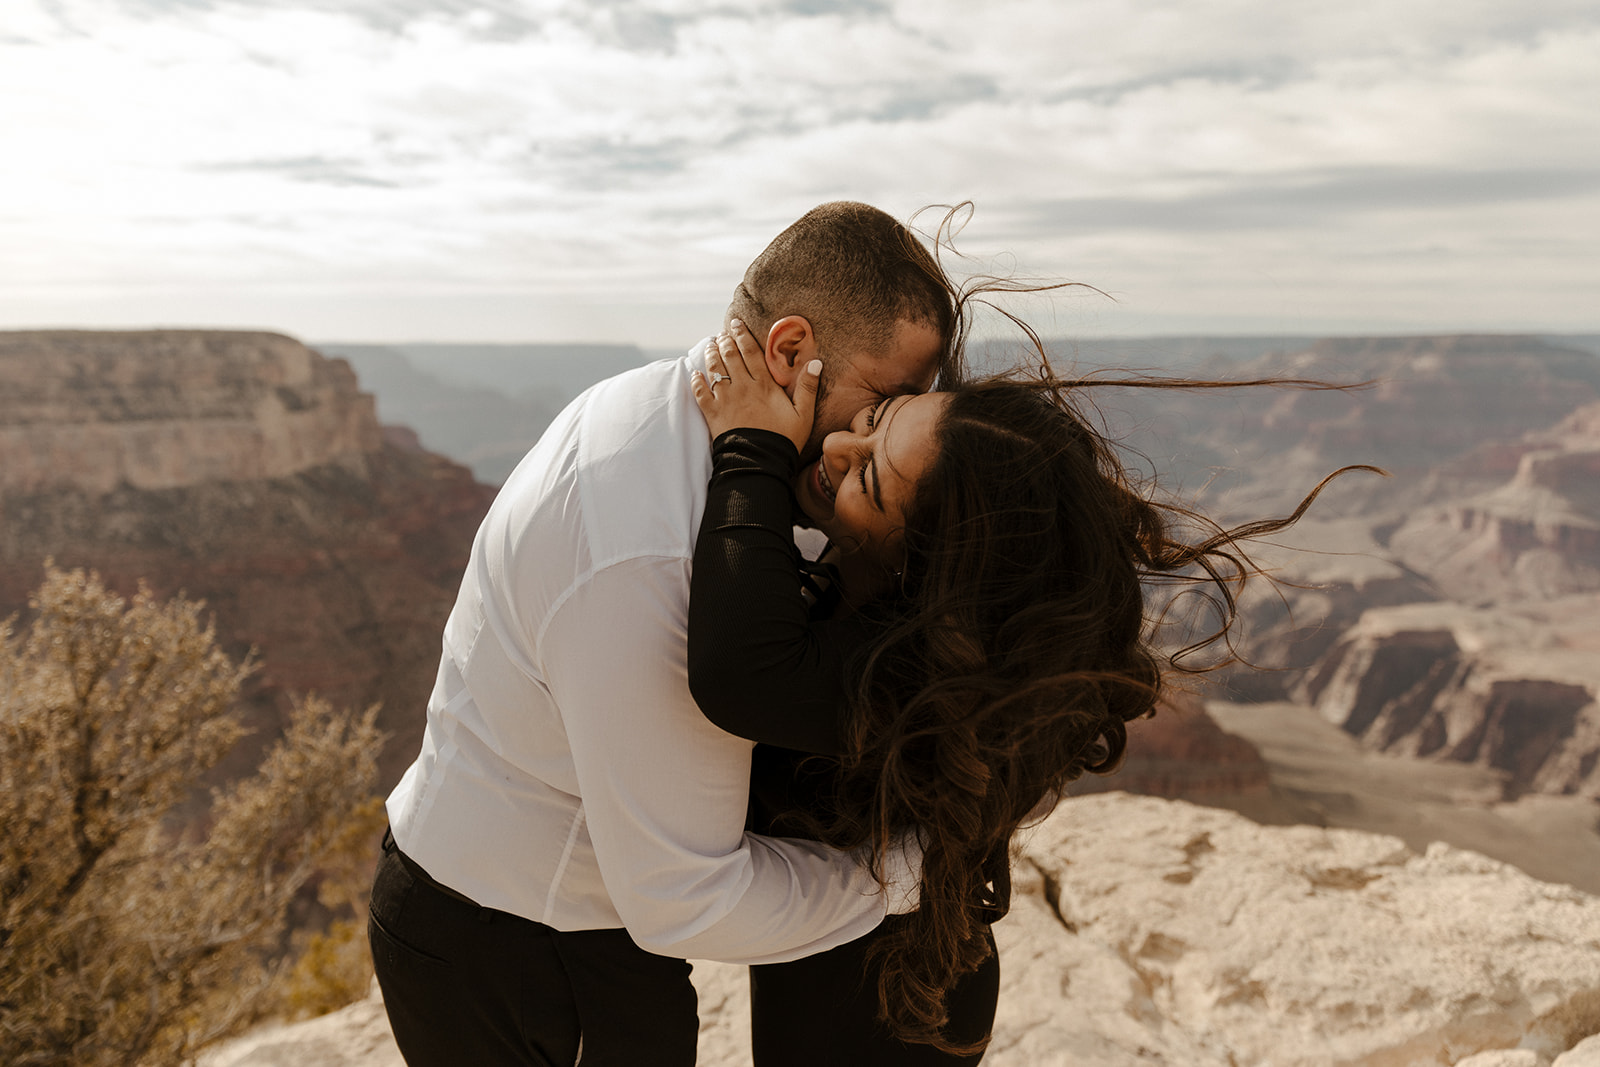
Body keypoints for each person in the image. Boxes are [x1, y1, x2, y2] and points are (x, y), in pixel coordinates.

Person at [368, 202, 963, 1067]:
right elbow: (682, 897)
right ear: (791, 353)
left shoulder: (704, 431)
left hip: (570, 927)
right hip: (518, 946)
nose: (872, 435)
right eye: (883, 398)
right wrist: (905, 874)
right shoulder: (645, 550)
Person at [685, 322, 1374, 1062]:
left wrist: (749, 450)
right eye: (875, 416)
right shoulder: (876, 610)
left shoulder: (902, 682)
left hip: (892, 1024)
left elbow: (739, 669)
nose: (840, 448)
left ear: (922, 570)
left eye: (869, 481)